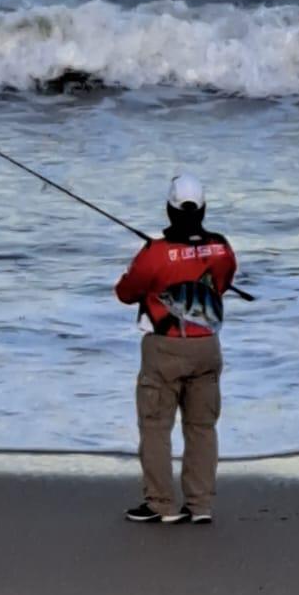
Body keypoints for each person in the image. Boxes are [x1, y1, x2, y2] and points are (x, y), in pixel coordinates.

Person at [115, 174, 237, 525]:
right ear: (203, 209)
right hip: (208, 346)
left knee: (156, 425)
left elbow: (125, 292)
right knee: (202, 426)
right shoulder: (221, 247)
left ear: (169, 210)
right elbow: (224, 280)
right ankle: (199, 505)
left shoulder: (154, 254)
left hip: (164, 349)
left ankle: (160, 504)